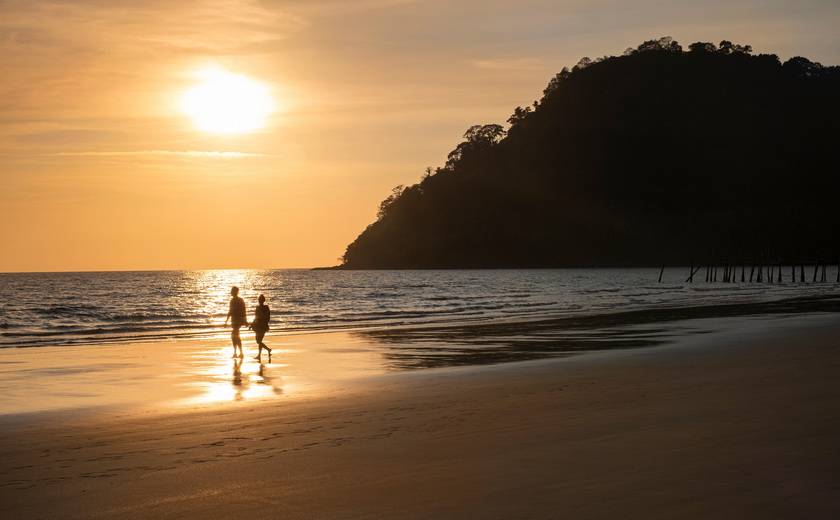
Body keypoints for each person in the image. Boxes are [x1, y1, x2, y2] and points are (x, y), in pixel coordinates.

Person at [224, 286, 248, 358]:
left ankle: (239, 353)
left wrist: (245, 320)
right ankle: (238, 352)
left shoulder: (239, 300)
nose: (231, 292)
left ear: (235, 292)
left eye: (232, 291)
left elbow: (243, 311)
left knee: (235, 336)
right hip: (235, 320)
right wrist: (226, 321)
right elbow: (231, 311)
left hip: (237, 321)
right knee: (235, 336)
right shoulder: (234, 300)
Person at [249, 294, 272, 359]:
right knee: (259, 341)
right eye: (259, 299)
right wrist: (252, 324)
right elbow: (256, 317)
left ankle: (267, 350)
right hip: (259, 326)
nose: (259, 301)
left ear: (262, 300)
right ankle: (261, 354)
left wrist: (253, 324)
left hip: (262, 326)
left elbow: (267, 317)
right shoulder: (260, 308)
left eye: (260, 299)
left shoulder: (264, 308)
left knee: (259, 341)